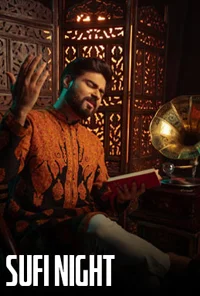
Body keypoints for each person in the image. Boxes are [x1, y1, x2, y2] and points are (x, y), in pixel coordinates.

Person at [0, 54, 195, 289]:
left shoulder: (93, 141)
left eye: (101, 92)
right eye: (90, 85)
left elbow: (101, 196)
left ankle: (163, 266)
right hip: (39, 235)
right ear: (67, 82)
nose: (96, 95)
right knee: (100, 225)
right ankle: (173, 263)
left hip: (87, 235)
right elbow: (3, 173)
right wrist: (19, 110)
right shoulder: (30, 122)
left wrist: (119, 199)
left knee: (145, 276)